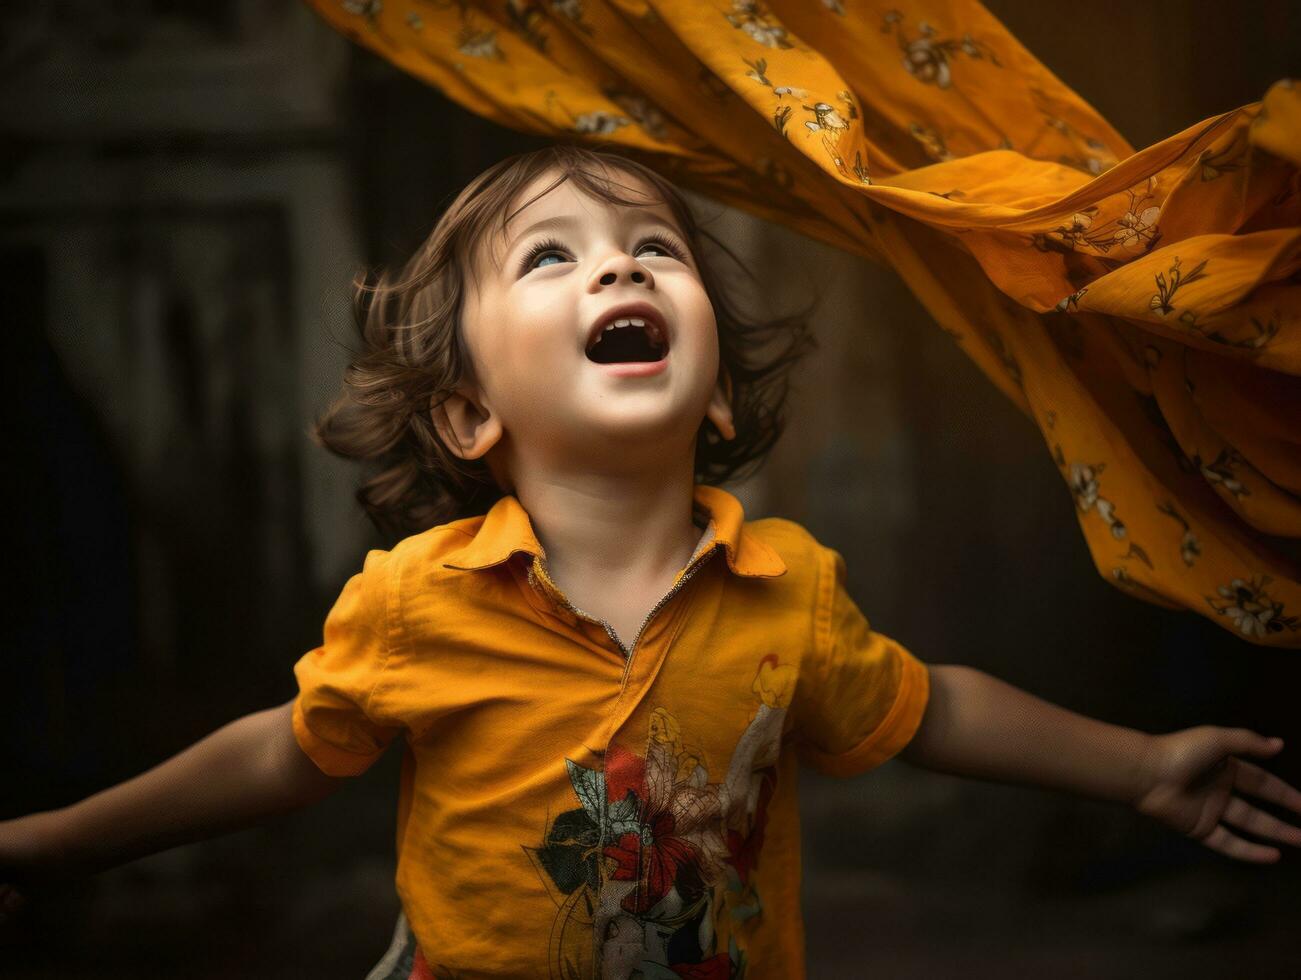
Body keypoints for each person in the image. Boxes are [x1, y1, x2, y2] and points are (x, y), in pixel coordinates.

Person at [2, 144, 1299, 979]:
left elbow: (931, 706)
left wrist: (1140, 768)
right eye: (549, 256)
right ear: (468, 414)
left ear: (718, 400)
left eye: (653, 247)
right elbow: (287, 748)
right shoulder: (415, 604)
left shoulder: (786, 589)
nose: (617, 257)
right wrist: (55, 843)